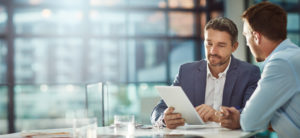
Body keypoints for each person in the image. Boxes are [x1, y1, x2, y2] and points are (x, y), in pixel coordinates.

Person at [151, 17, 261, 129]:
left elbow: (253, 114)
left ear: (234, 47)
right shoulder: (186, 72)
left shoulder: (249, 73)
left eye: (221, 45)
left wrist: (217, 116)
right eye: (209, 44)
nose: (213, 51)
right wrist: (165, 119)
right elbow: (158, 110)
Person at [219, 2, 300, 137]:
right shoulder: (292, 55)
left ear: (256, 37)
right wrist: (253, 116)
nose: (246, 43)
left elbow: (250, 122)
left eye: (246, 36)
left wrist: (243, 118)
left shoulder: (280, 63)